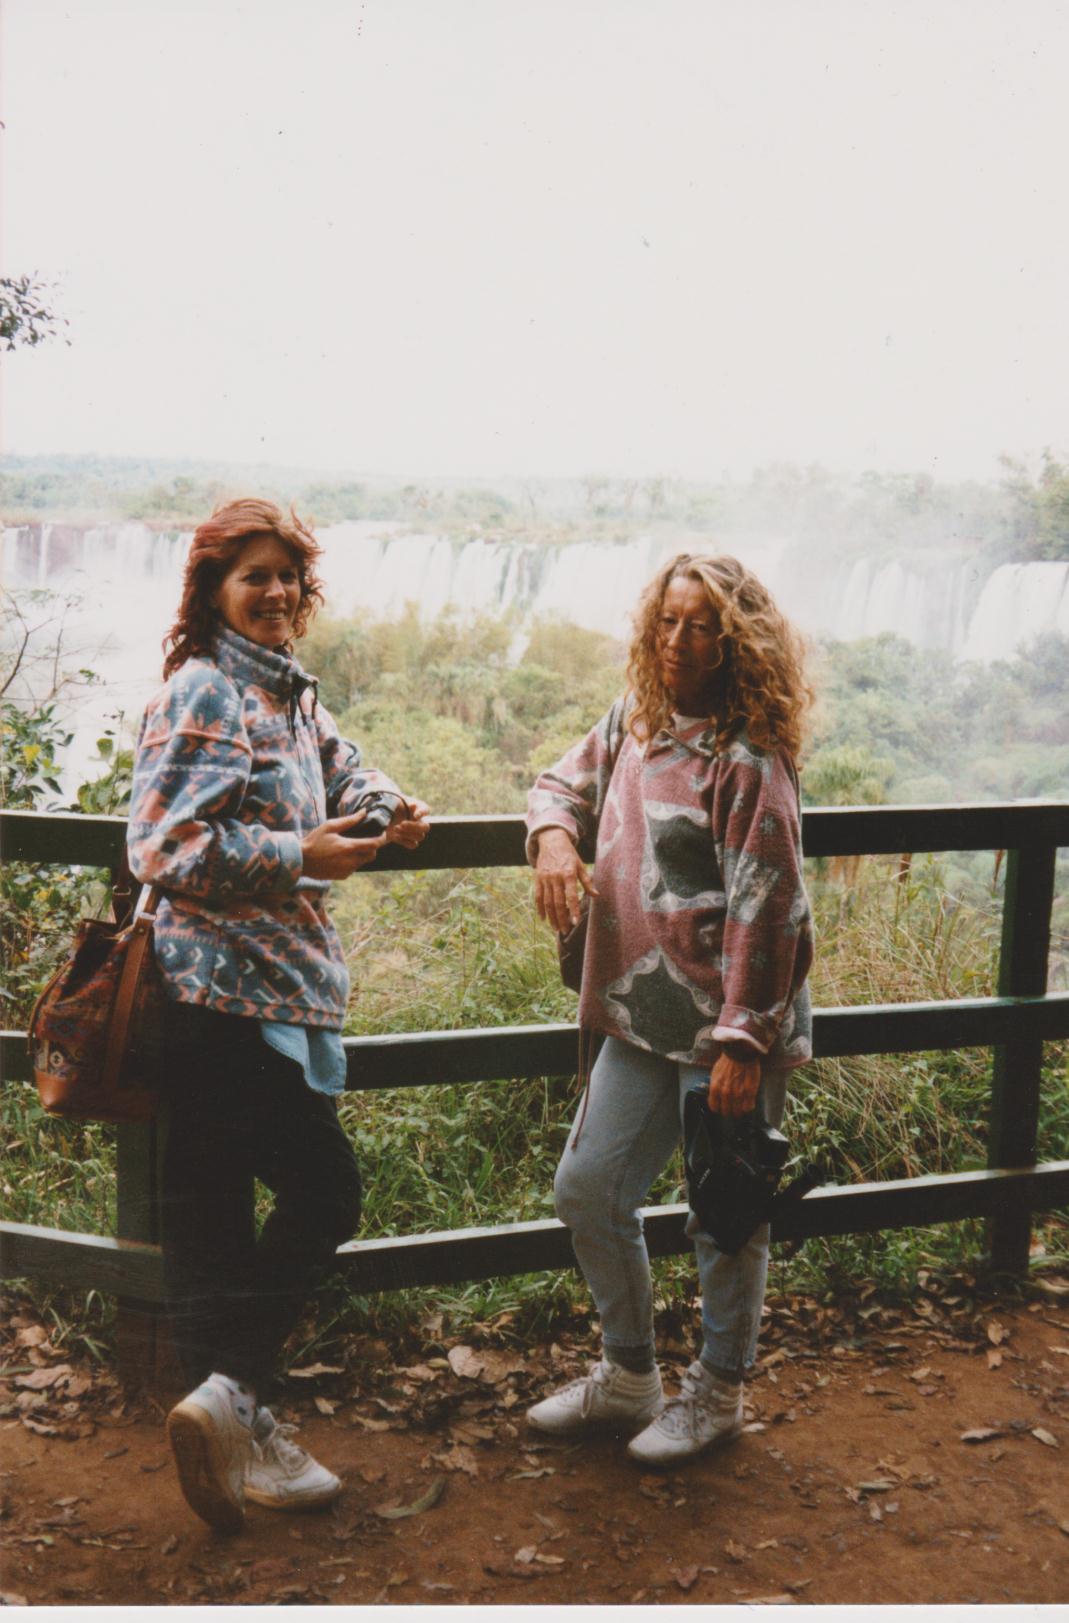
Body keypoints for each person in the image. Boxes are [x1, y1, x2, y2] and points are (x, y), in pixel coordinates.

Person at [126, 498, 430, 1533]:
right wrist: (303, 853)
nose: (275, 591)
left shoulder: (287, 692)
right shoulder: (206, 691)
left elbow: (342, 769)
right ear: (213, 590)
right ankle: (235, 1401)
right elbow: (161, 848)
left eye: (287, 575)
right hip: (216, 1002)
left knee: (212, 1228)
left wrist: (388, 809)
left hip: (264, 996)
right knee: (325, 1191)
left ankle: (233, 1431)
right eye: (252, 575)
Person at [524, 552, 814, 1465]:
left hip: (726, 1026)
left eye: (701, 626)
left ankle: (718, 1393)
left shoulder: (748, 757)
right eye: (668, 621)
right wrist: (552, 840)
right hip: (642, 1012)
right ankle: (628, 1375)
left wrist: (743, 1040)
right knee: (587, 1189)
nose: (678, 641)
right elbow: (559, 783)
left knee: (724, 1212)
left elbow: (768, 902)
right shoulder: (638, 718)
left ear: (738, 642)